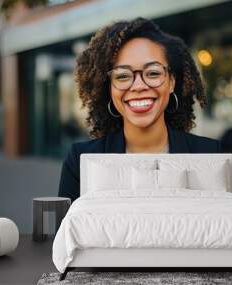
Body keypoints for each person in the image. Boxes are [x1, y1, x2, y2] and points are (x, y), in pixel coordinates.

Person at [58, 17, 223, 202]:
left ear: (171, 82)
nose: (138, 86)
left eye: (153, 73)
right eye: (122, 76)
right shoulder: (80, 160)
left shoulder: (209, 154)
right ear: (109, 88)